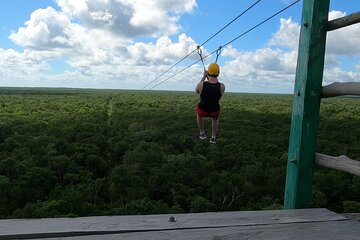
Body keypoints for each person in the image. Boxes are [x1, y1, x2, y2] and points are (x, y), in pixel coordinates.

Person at [195, 63, 225, 144]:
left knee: (198, 114)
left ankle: (201, 132)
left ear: (209, 72)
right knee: (215, 119)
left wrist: (204, 76)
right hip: (214, 110)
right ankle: (213, 137)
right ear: (218, 73)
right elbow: (214, 86)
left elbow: (197, 91)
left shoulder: (201, 84)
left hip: (203, 109)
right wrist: (209, 77)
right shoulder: (222, 86)